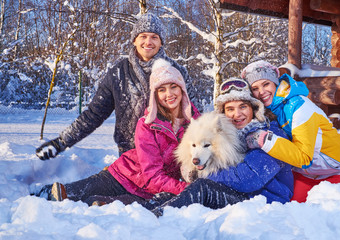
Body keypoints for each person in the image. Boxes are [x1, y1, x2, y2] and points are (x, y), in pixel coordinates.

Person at [33, 59, 200, 204]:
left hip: (151, 191)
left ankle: (98, 203)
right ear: (154, 95)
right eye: (161, 90)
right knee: (65, 194)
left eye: (173, 87)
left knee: (117, 206)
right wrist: (185, 189)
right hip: (124, 176)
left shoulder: (197, 123)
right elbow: (152, 175)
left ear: (182, 89)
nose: (169, 94)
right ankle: (36, 196)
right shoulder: (148, 124)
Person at [35, 13, 199, 160]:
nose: (148, 42)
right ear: (134, 40)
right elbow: (93, 115)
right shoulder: (118, 74)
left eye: (154, 37)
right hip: (130, 156)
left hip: (172, 157)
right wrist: (61, 142)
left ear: (161, 42)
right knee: (108, 187)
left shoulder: (177, 72)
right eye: (143, 36)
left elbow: (196, 114)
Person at [147, 79, 293, 217]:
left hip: (265, 204)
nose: (237, 114)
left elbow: (246, 178)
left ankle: (161, 216)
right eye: (230, 109)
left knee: (202, 188)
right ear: (223, 114)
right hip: (242, 196)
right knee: (168, 196)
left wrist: (201, 174)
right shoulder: (235, 135)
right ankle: (144, 214)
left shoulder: (270, 136)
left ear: (254, 108)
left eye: (243, 106)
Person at [241, 60, 340, 203]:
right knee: (286, 204)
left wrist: (264, 140)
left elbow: (304, 158)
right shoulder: (272, 110)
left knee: (316, 213)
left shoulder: (300, 107)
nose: (261, 92)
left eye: (266, 84)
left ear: (275, 83)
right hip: (309, 173)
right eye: (255, 88)